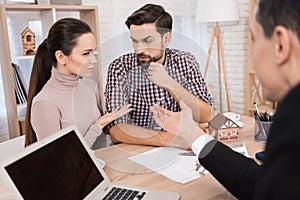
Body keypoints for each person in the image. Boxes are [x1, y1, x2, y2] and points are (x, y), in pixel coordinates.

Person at [151, 0, 300, 199]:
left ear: (281, 44)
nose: (253, 59)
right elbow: (265, 185)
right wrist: (195, 136)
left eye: (255, 41)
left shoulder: (293, 113)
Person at [104, 4, 214, 148]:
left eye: (147, 41)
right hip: (138, 150)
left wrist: (169, 83)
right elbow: (116, 130)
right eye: (134, 41)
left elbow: (207, 115)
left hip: (184, 150)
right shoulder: (120, 67)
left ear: (166, 39)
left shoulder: (185, 61)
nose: (139, 49)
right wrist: (172, 140)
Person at [25, 18, 132, 149]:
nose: (93, 60)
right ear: (61, 57)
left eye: (93, 52)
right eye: (86, 54)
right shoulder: (44, 103)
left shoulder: (91, 86)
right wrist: (97, 126)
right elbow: (62, 159)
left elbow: (105, 141)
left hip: (106, 160)